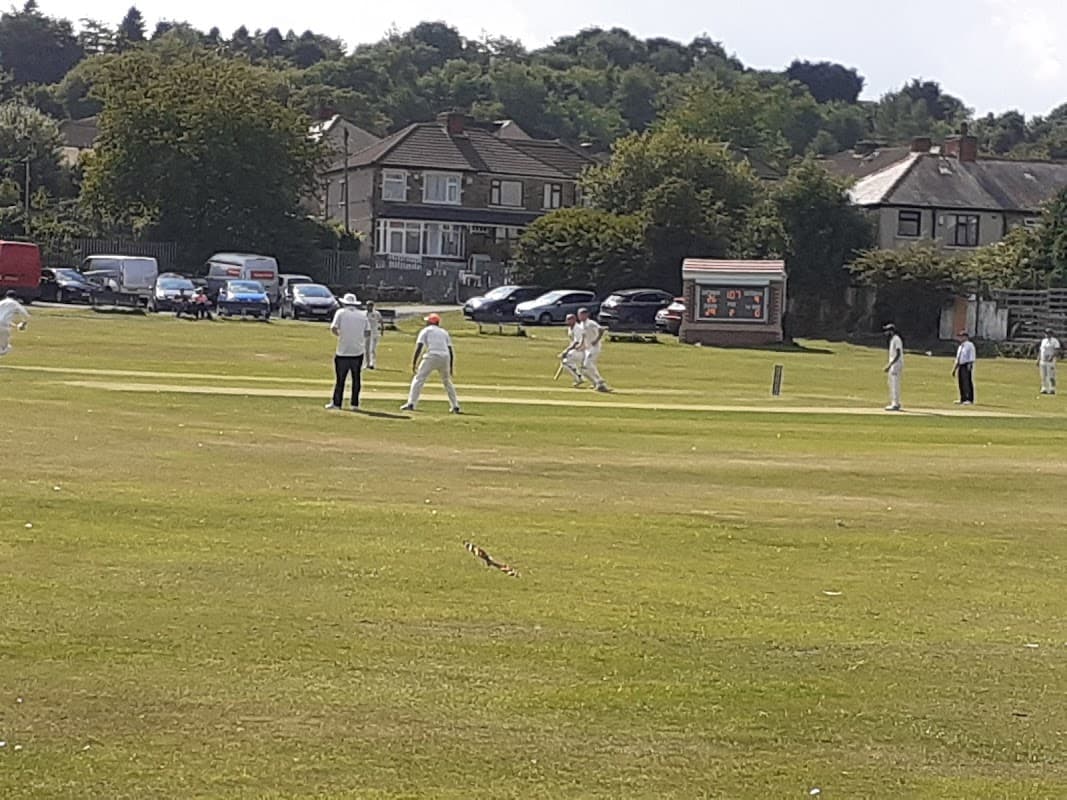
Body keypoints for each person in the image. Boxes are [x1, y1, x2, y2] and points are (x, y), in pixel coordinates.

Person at [400, 313, 461, 414]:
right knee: (447, 381)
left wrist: (414, 362)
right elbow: (450, 349)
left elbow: (419, 346)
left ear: (430, 322)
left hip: (432, 355)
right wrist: (450, 366)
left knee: (419, 379)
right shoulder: (444, 332)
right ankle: (455, 405)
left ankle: (411, 403)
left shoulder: (426, 330)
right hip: (445, 357)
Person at [326, 293, 371, 410]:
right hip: (358, 351)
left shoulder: (340, 312)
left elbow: (333, 328)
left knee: (340, 379)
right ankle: (354, 404)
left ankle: (337, 403)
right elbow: (367, 332)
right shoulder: (363, 315)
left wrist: (342, 336)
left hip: (343, 351)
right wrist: (358, 337)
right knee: (356, 378)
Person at [576, 307, 610, 393]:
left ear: (586, 315)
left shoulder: (590, 323)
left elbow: (601, 330)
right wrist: (581, 345)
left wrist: (596, 340)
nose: (580, 317)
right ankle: (597, 383)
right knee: (584, 369)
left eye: (582, 315)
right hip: (587, 348)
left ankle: (600, 381)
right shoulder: (581, 324)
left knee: (587, 364)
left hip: (595, 347)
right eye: (579, 315)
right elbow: (584, 336)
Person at [0, 290, 30, 356]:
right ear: (15, 297)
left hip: (3, 325)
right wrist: (24, 323)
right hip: (4, 328)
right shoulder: (14, 303)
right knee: (5, 348)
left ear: (6, 296)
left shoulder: (1, 302)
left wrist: (15, 325)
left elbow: (2, 319)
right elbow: (25, 314)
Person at [559, 313, 585, 387]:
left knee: (566, 362)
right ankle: (579, 377)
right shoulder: (570, 328)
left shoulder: (577, 329)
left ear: (574, 320)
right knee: (566, 362)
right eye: (567, 320)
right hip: (576, 349)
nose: (567, 321)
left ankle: (579, 378)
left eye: (569, 320)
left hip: (582, 350)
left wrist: (566, 351)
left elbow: (576, 342)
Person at [882, 323, 904, 411]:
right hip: (894, 364)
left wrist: (890, 365)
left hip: (896, 364)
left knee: (895, 384)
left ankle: (895, 403)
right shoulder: (893, 340)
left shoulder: (896, 339)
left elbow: (898, 353)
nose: (886, 333)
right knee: (891, 383)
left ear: (891, 331)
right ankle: (894, 402)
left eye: (887, 331)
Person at [952, 330, 977, 405]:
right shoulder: (960, 346)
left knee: (967, 382)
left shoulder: (969, 345)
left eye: (961, 336)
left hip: (967, 365)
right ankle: (962, 398)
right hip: (961, 365)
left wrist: (970, 365)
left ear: (966, 337)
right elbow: (958, 358)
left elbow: (971, 356)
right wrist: (954, 368)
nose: (960, 338)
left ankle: (969, 399)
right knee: (961, 382)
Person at [1038, 327, 1060, 395]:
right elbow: (1041, 350)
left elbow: (1057, 350)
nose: (1047, 335)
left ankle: (1052, 388)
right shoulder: (1043, 341)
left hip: (1050, 361)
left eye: (1048, 333)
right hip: (1043, 360)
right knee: (1043, 375)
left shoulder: (1055, 341)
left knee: (1051, 375)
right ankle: (1044, 388)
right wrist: (1038, 359)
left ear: (1051, 334)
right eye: (1046, 333)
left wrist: (1052, 356)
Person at [364, 301, 384, 370]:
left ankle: (372, 364)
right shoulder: (364, 314)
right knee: (366, 349)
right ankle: (367, 364)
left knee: (372, 349)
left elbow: (381, 321)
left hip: (374, 333)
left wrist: (382, 330)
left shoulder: (376, 313)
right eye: (367, 305)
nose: (368, 307)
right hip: (366, 333)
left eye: (370, 306)